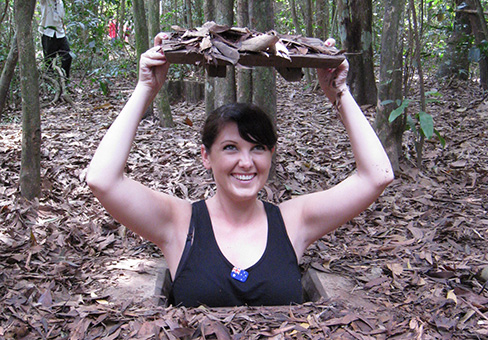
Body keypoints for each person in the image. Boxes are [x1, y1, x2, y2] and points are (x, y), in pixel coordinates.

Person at [86, 33, 394, 307]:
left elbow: (376, 176)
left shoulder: (294, 221)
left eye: (257, 148)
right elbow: (102, 180)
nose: (246, 162)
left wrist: (340, 94)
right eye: (231, 148)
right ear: (207, 156)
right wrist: (146, 89)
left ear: (270, 155)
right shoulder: (178, 223)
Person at [38, 0, 72, 78]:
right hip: (48, 33)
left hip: (60, 34)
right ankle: (50, 82)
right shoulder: (46, 2)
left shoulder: (60, 2)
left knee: (67, 56)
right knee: (49, 61)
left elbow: (61, 17)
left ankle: (64, 79)